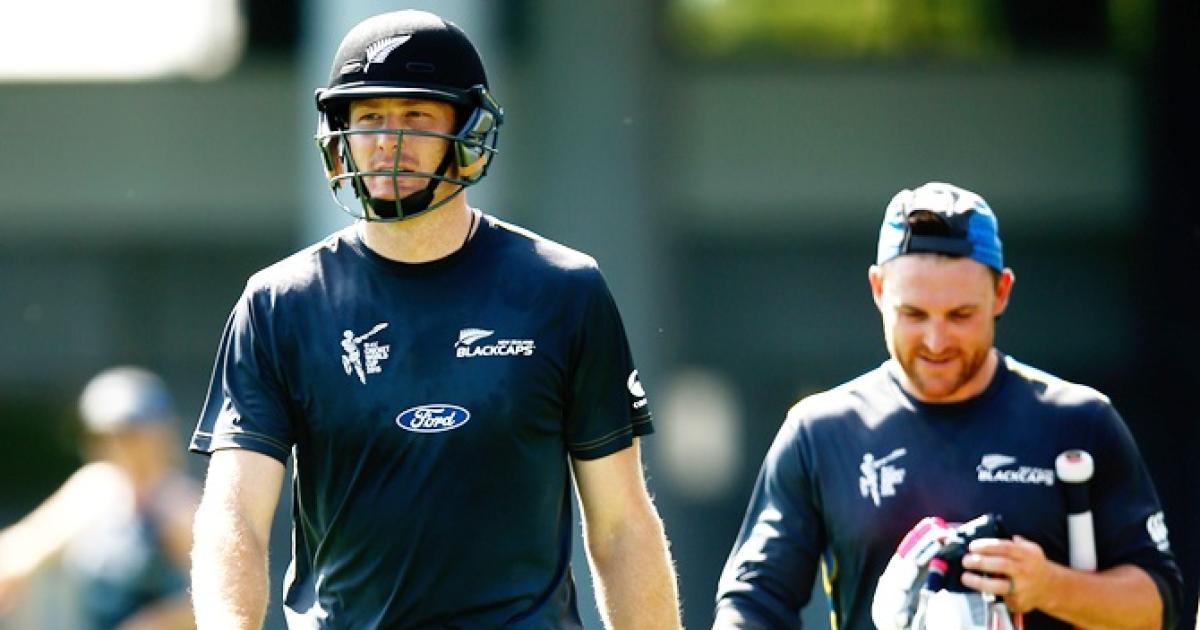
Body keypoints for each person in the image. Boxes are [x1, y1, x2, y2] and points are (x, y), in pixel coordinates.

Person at [188, 9, 680, 630]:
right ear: (339, 135)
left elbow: (621, 526)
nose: (387, 142)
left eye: (416, 116)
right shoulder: (278, 303)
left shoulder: (564, 290)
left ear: (469, 132)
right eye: (369, 118)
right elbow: (235, 515)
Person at [713, 182, 1183, 629]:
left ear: (1001, 293)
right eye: (913, 314)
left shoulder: (1080, 423)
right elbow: (754, 601)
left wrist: (1049, 586)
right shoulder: (820, 432)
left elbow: (1159, 608)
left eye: (960, 315)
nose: (936, 341)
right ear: (878, 290)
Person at [0, 366, 199, 630]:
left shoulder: (180, 503)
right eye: (107, 437)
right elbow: (25, 548)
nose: (120, 447)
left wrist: (155, 623)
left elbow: (218, 595)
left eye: (131, 435)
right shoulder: (96, 489)